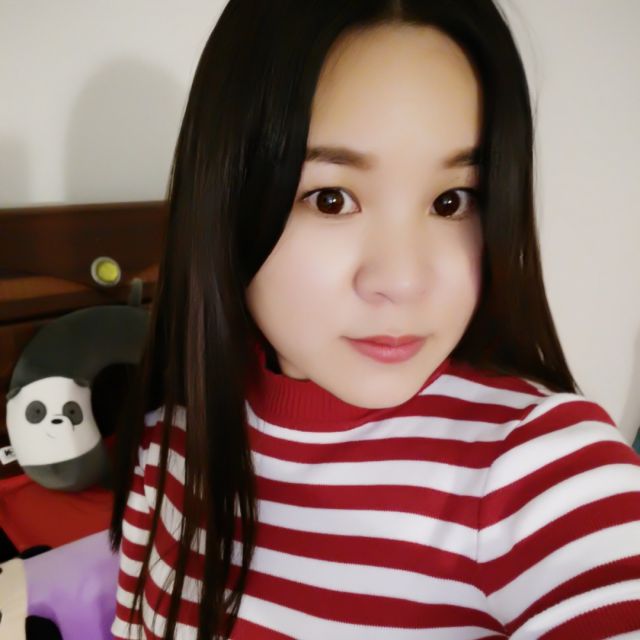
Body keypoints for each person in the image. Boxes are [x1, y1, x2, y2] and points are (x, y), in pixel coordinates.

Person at [109, 1, 640, 638]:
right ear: (226, 201)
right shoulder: (170, 439)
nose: (404, 280)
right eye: (331, 199)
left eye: (452, 201)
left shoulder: (536, 471)